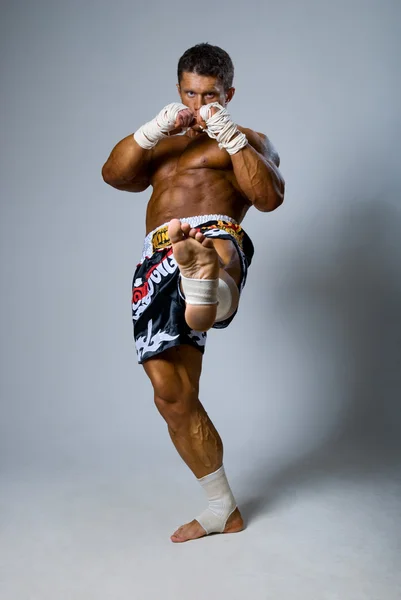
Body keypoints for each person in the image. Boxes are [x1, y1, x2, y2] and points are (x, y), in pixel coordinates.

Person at [102, 43, 285, 543]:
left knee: (215, 252)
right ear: (178, 89)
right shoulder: (163, 145)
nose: (199, 103)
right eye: (190, 92)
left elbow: (268, 198)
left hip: (214, 234)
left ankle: (203, 278)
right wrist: (150, 131)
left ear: (229, 93)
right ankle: (223, 509)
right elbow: (114, 175)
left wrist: (232, 141)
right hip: (158, 255)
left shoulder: (247, 139)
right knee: (171, 396)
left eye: (210, 95)